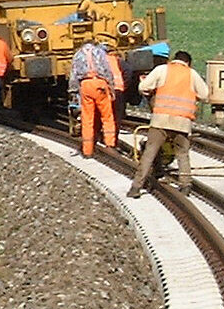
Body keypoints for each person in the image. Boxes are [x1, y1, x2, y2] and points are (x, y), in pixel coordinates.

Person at [127, 50, 209, 198]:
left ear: (173, 59)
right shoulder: (192, 74)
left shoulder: (162, 70)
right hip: (182, 121)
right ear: (188, 62)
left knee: (149, 152)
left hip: (160, 119)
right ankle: (185, 185)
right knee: (182, 154)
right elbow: (205, 94)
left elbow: (143, 87)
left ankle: (136, 187)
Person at [69, 41, 117, 156]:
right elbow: (107, 71)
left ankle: (87, 150)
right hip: (100, 84)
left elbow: (73, 75)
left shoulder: (77, 55)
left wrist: (73, 91)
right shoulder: (100, 52)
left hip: (85, 85)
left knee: (87, 119)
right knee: (107, 116)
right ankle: (110, 144)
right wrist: (111, 87)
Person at [103, 43, 127, 135]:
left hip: (105, 91)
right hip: (118, 90)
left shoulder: (100, 61)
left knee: (106, 115)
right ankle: (113, 140)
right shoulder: (117, 60)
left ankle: (106, 137)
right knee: (117, 116)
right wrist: (125, 85)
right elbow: (128, 71)